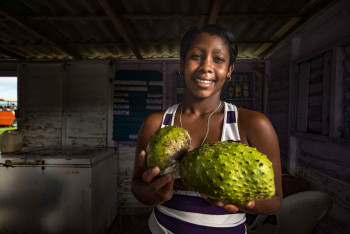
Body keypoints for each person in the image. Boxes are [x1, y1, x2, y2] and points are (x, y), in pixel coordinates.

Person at [131, 24, 283, 233]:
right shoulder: (156, 123)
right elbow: (137, 186)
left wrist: (241, 203)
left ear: (229, 70)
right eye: (196, 56)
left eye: (218, 59)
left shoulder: (254, 124)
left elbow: (275, 200)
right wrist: (152, 193)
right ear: (182, 64)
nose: (206, 66)